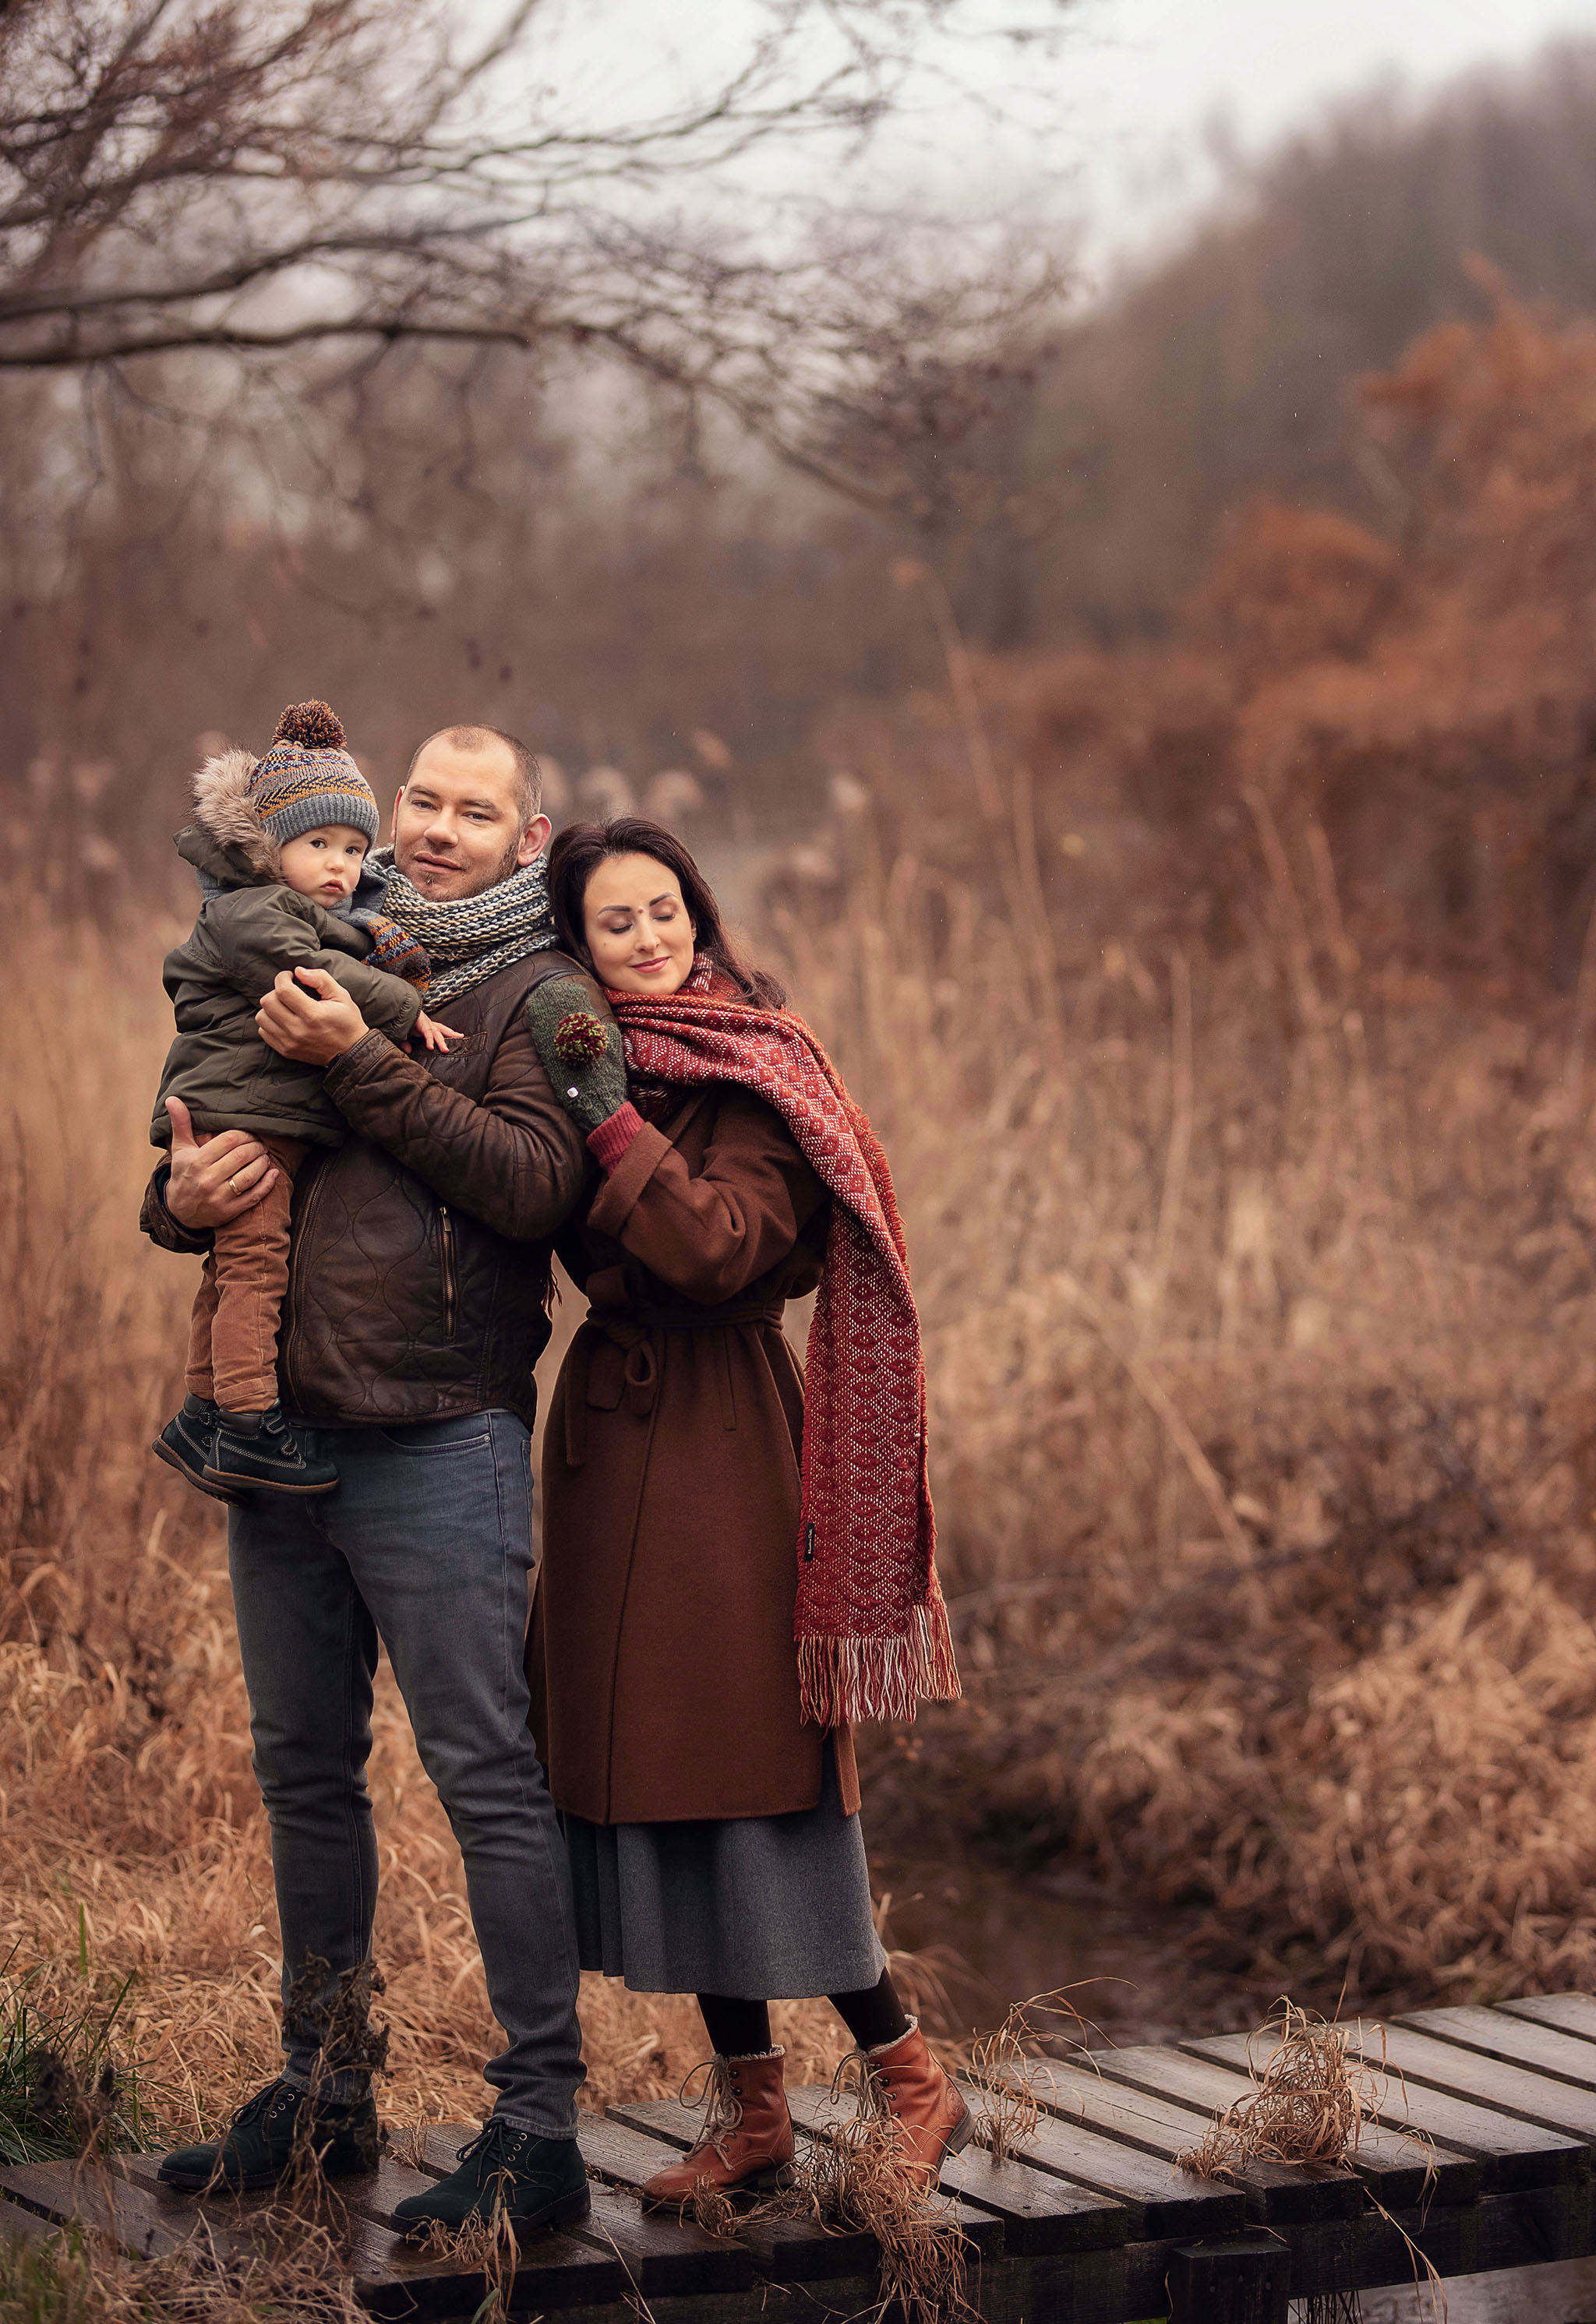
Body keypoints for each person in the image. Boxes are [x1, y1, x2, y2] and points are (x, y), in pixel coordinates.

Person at [142, 723, 601, 2239]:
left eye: (479, 810)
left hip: (440, 1437)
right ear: (388, 807)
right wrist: (174, 1195)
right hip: (280, 1440)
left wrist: (362, 1058)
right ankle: (327, 2094)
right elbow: (210, 1119)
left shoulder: (537, 993)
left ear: (524, 832)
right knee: (304, 1778)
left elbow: (540, 1188)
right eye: (425, 801)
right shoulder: (324, 932)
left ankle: (537, 2128)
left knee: (485, 1780)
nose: (444, 828)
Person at [522, 814, 968, 2206]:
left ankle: (908, 2074)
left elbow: (718, 1248)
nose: (648, 936)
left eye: (664, 910)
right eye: (614, 921)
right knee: (671, 1788)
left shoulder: (755, 1063)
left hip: (722, 1450)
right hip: (610, 1448)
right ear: (578, 947)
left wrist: (605, 1122)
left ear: (698, 916)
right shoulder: (578, 1055)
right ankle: (754, 2111)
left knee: (759, 1788)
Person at [150, 700, 462, 1501]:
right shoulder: (253, 910)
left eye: (355, 848)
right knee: (254, 1265)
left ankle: (203, 1408)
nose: (341, 865)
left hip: (250, 1111)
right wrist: (403, 1007)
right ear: (266, 846)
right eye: (318, 843)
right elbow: (314, 976)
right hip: (248, 1119)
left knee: (229, 1270)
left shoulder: (298, 909)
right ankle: (250, 1425)